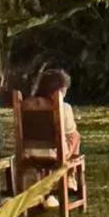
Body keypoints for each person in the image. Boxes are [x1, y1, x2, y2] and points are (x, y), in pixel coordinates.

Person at [31, 67, 82, 207]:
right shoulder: (63, 108)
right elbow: (71, 131)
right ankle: (69, 177)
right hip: (54, 154)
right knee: (75, 136)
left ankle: (56, 183)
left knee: (71, 137)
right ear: (59, 90)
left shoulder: (25, 106)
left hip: (29, 152)